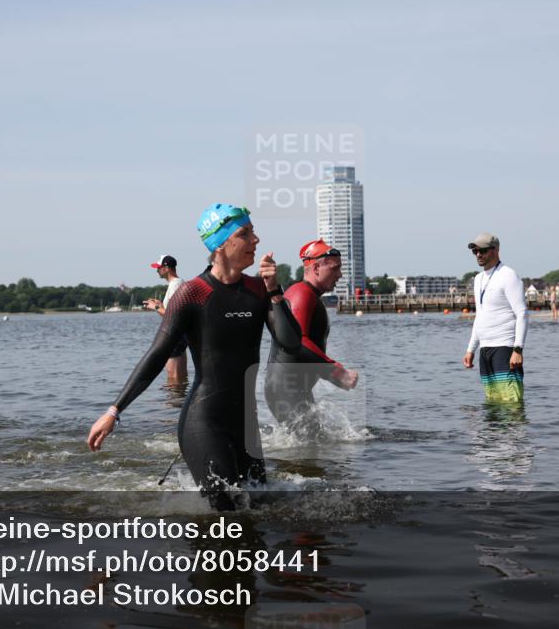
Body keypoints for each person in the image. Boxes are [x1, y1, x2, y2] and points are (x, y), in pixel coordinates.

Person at [87, 203, 301, 510]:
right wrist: (114, 411)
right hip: (205, 421)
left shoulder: (257, 289)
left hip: (245, 425)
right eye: (246, 233)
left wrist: (275, 291)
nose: (256, 240)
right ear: (221, 244)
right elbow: (157, 355)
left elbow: (290, 343)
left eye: (252, 231)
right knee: (228, 509)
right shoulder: (193, 294)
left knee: (261, 508)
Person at [264, 239, 359, 426]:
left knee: (312, 446)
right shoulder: (302, 294)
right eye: (335, 268)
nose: (340, 274)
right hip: (285, 389)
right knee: (303, 449)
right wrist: (336, 371)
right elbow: (299, 342)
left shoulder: (308, 294)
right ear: (316, 268)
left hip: (292, 387)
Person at [462, 234, 527, 403]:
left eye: (482, 250)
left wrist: (518, 349)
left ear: (496, 250)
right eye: (475, 251)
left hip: (504, 348)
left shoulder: (508, 275)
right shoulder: (478, 279)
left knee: (511, 404)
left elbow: (522, 313)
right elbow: (480, 316)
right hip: (485, 350)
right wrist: (471, 349)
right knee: (493, 404)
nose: (478, 255)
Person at [144, 255, 188, 383]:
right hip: (180, 334)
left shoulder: (175, 285)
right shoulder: (177, 283)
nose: (157, 270)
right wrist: (160, 305)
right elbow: (174, 310)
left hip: (175, 335)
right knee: (180, 377)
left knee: (173, 378)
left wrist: (156, 307)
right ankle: (180, 400)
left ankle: (174, 402)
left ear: (166, 268)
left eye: (159, 268)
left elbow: (174, 315)